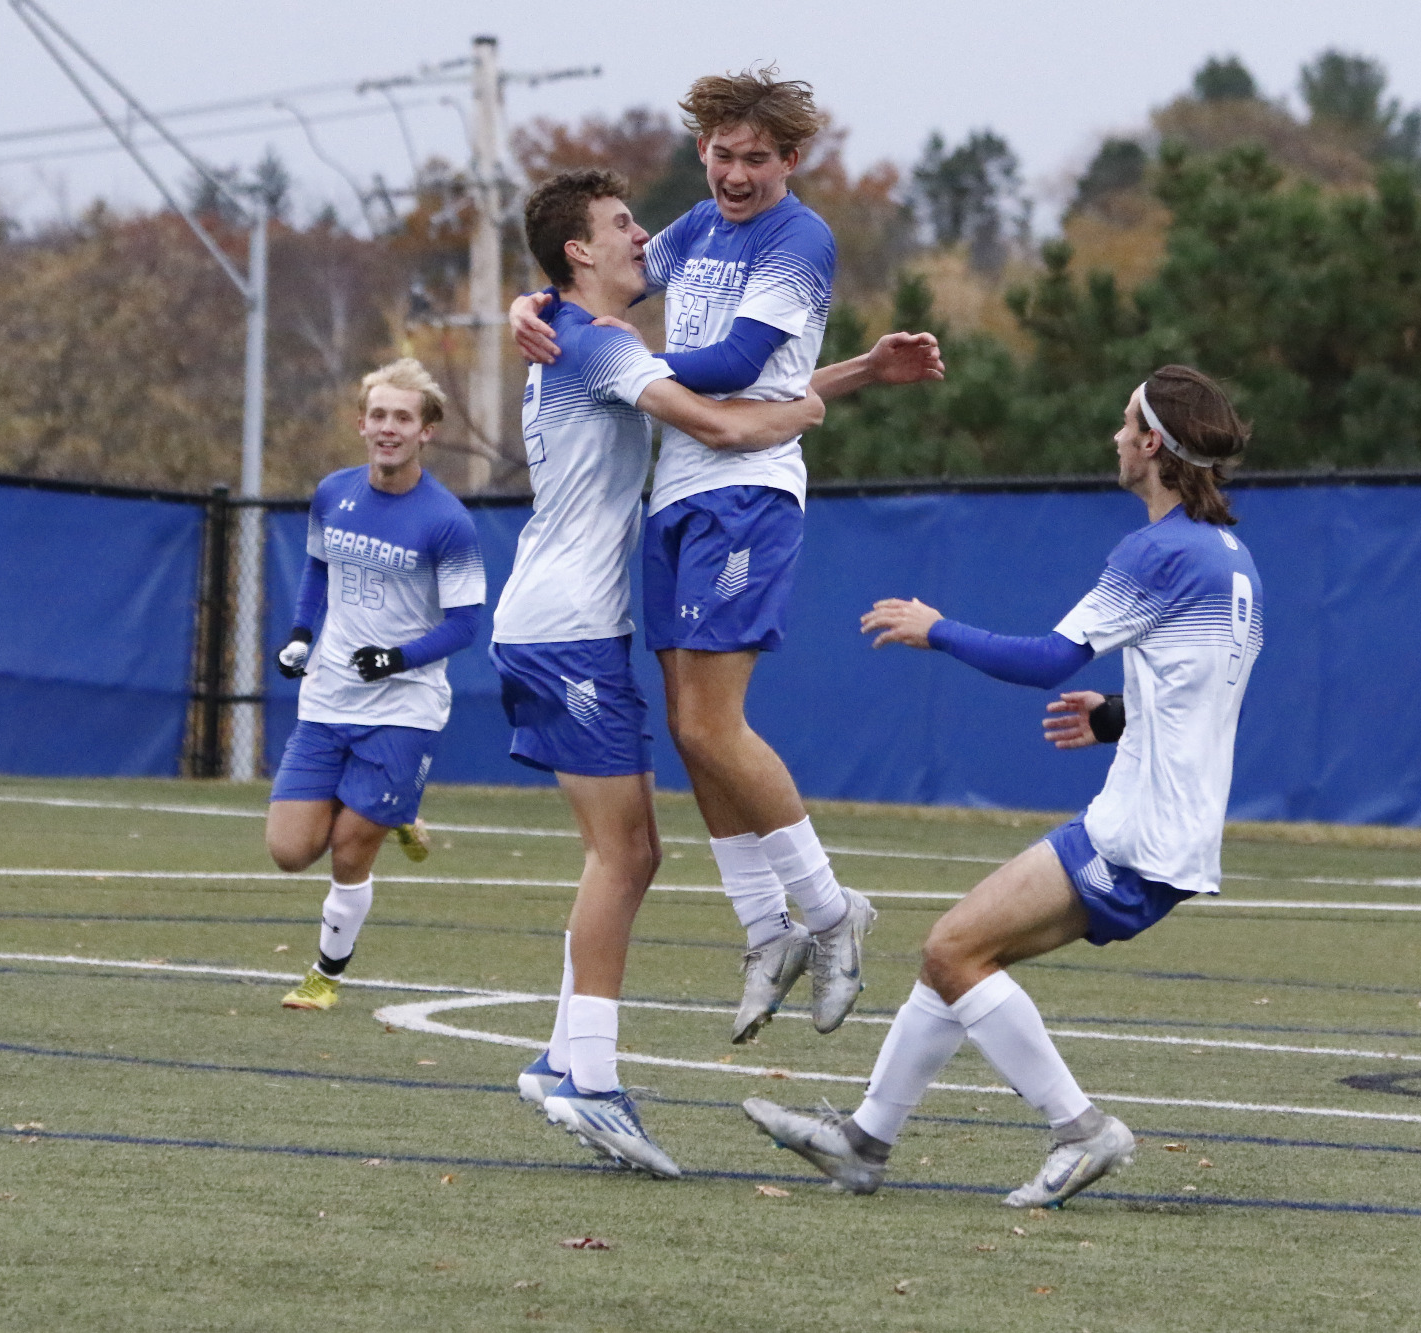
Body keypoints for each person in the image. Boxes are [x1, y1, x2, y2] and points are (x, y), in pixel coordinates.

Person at [744, 365, 1262, 1209]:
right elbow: (1200, 692)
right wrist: (1116, 719)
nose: (1115, 436)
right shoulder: (1230, 557)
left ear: (1154, 445)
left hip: (1138, 831)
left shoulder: (1158, 550)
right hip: (1169, 825)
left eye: (1126, 421)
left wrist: (935, 628)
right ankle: (864, 1142)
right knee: (958, 956)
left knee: (951, 950)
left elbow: (1050, 657)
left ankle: (1081, 1128)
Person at [510, 68, 946, 1047]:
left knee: (712, 726)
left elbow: (742, 368)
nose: (735, 174)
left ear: (792, 160)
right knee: (686, 726)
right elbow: (597, 277)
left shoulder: (799, 238)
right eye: (721, 153)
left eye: (756, 157)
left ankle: (831, 915)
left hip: (744, 499)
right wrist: (533, 306)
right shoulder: (697, 228)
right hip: (676, 495)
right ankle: (762, 928)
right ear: (701, 148)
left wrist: (615, 353)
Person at [499, 168, 826, 1178]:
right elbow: (724, 423)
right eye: (619, 223)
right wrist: (803, 414)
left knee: (627, 851)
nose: (642, 233)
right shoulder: (598, 343)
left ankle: (565, 1060)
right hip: (565, 632)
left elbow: (731, 390)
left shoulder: (570, 330)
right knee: (625, 857)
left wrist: (842, 378)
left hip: (560, 627)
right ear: (577, 255)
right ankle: (587, 1082)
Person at [265, 359, 486, 1012]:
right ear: (362, 423)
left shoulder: (448, 521)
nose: (389, 428)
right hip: (328, 698)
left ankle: (325, 975)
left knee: (345, 852)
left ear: (427, 432)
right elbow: (315, 569)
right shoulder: (334, 493)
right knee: (288, 850)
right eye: (379, 415)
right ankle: (395, 807)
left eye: (404, 417)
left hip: (404, 708)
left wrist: (397, 659)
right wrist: (302, 635)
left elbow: (465, 625)